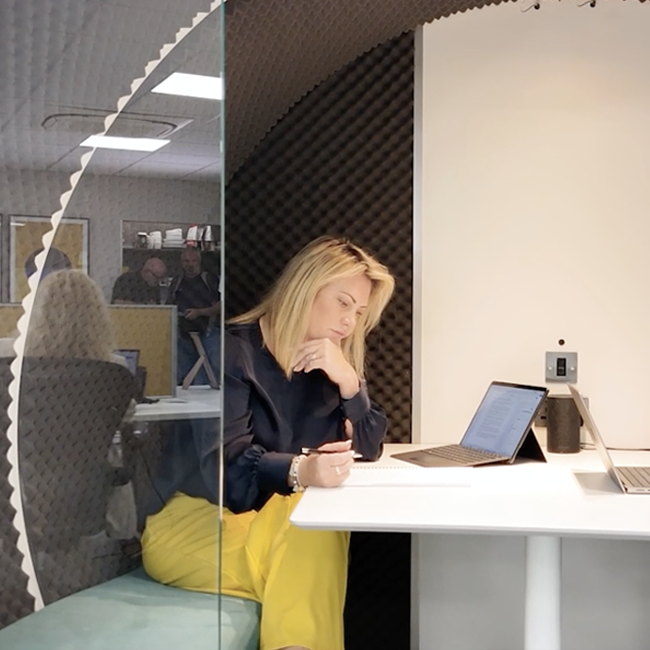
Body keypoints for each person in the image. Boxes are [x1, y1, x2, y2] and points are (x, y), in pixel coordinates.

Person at [141, 236, 395, 650]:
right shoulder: (231, 350)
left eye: (359, 312)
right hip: (196, 521)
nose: (350, 321)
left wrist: (351, 382)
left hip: (271, 526)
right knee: (309, 531)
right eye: (343, 303)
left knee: (309, 525)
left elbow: (369, 445)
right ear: (305, 288)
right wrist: (301, 470)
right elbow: (228, 471)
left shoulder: (329, 361)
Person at [171, 247, 221, 385]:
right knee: (185, 378)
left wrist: (199, 312)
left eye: (194, 261)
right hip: (184, 336)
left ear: (199, 262)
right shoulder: (177, 281)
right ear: (181, 262)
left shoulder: (210, 279)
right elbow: (170, 306)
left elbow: (221, 305)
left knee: (209, 377)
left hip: (208, 334)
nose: (190, 264)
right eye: (186, 261)